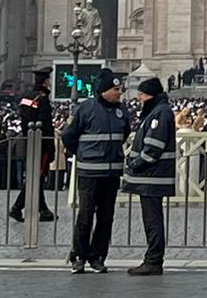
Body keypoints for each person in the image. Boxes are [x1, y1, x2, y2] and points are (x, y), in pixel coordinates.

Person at [61, 68, 131, 274]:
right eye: (116, 89)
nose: (120, 92)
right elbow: (69, 135)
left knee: (106, 218)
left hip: (111, 173)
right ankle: (79, 255)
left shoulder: (121, 110)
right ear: (104, 91)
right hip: (89, 173)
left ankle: (98, 256)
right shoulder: (86, 109)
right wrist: (81, 154)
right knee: (85, 215)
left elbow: (124, 133)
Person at [123, 77, 176, 275]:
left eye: (142, 95)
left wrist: (135, 164)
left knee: (152, 220)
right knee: (151, 219)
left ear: (151, 95)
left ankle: (153, 260)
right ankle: (152, 259)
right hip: (151, 177)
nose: (140, 99)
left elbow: (153, 147)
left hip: (152, 177)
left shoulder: (159, 113)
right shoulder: (159, 111)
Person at [10, 66, 57, 223]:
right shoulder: (42, 98)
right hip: (41, 144)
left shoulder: (27, 97)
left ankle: (43, 210)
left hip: (28, 140)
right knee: (36, 177)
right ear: (45, 81)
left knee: (37, 176)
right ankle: (17, 207)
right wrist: (51, 147)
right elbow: (46, 125)